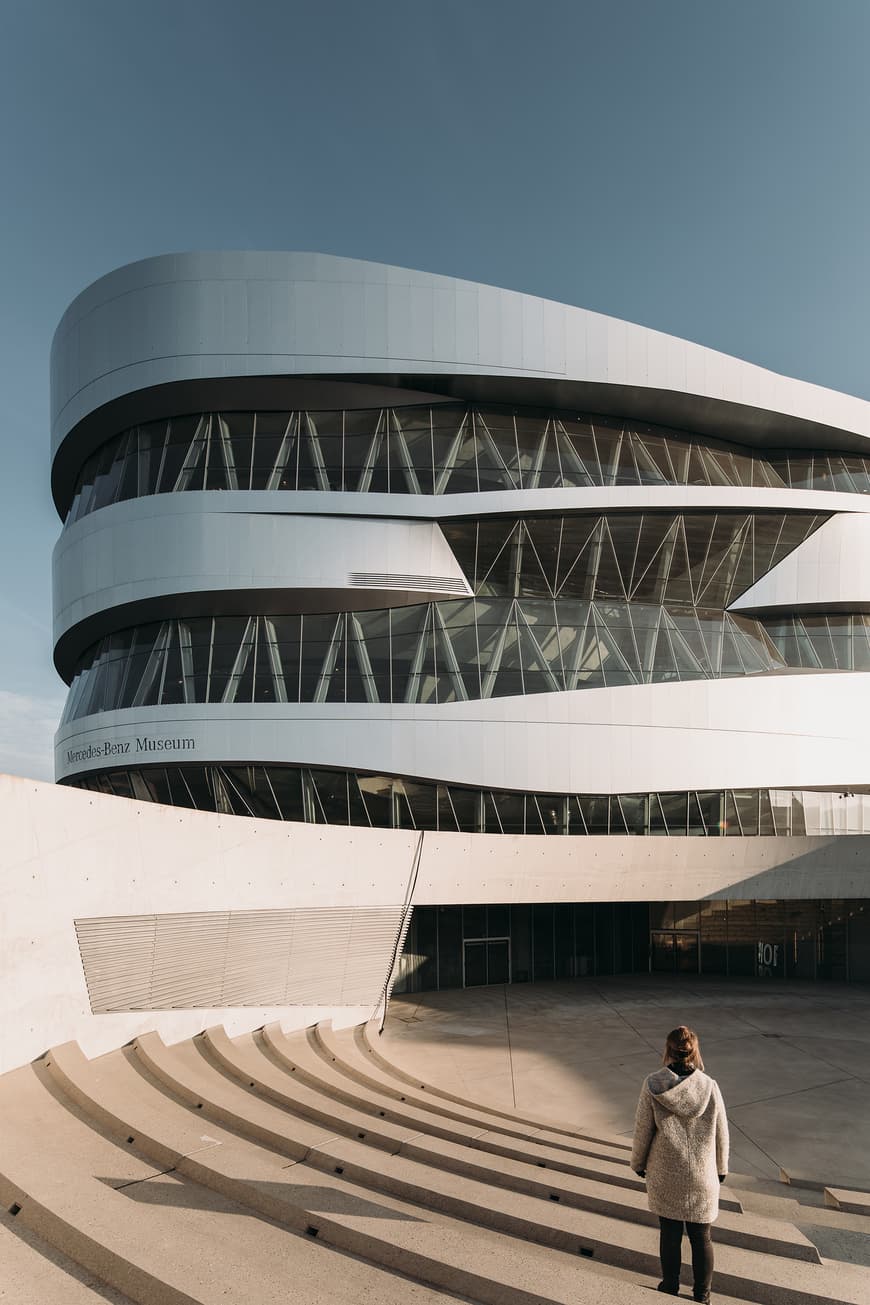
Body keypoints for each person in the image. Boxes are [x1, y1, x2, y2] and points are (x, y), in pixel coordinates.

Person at [630, 1026, 729, 1303]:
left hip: (665, 1171)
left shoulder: (653, 1084)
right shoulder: (710, 1086)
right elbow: (722, 1132)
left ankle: (670, 1288)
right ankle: (702, 1295)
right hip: (702, 1174)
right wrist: (722, 1168)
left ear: (668, 1050)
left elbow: (642, 1130)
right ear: (693, 1051)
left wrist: (638, 1162)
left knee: (670, 1233)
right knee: (702, 1237)